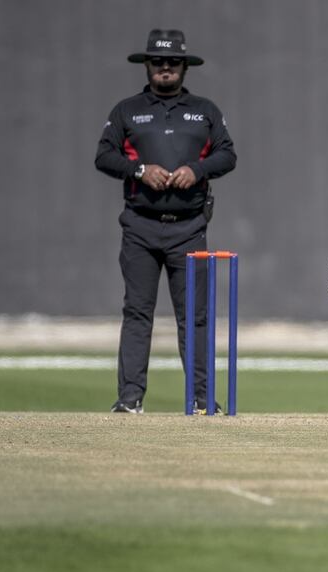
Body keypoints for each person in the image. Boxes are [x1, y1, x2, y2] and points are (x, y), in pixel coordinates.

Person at [95, 29, 236, 414]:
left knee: (194, 317)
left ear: (184, 67)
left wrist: (197, 169)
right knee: (137, 311)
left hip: (189, 227)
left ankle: (203, 398)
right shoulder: (126, 110)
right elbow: (104, 157)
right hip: (140, 225)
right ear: (147, 65)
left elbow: (227, 155)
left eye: (173, 62)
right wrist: (140, 170)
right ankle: (129, 399)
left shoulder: (204, 111)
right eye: (159, 62)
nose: (166, 68)